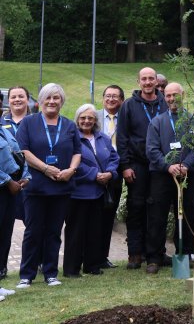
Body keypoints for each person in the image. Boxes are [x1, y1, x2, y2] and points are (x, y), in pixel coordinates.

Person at [15, 83, 82, 288]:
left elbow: (77, 152)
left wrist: (71, 170)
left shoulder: (70, 125)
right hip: (35, 187)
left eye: (56, 98)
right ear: (40, 101)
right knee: (33, 231)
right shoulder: (28, 123)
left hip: (62, 186)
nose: (52, 101)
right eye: (48, 98)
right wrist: (45, 168)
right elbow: (23, 151)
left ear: (62, 101)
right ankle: (26, 275)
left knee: (54, 231)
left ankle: (51, 273)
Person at [116, 67, 166, 270]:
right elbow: (122, 138)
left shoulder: (165, 104)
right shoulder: (128, 106)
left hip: (160, 165)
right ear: (139, 82)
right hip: (136, 165)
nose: (147, 82)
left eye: (151, 79)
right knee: (136, 208)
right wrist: (125, 166)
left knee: (157, 210)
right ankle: (135, 253)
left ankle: (156, 254)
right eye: (144, 79)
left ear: (156, 81)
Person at [144, 83, 194, 274]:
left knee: (186, 214)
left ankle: (186, 253)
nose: (172, 99)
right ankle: (154, 257)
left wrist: (186, 165)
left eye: (176, 95)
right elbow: (151, 149)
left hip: (186, 175)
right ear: (163, 97)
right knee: (157, 216)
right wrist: (168, 166)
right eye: (168, 96)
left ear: (183, 95)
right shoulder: (157, 122)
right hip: (162, 176)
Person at [63, 104, 119, 277]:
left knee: (95, 230)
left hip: (98, 192)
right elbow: (72, 163)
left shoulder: (103, 138)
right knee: (76, 232)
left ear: (95, 120)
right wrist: (94, 174)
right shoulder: (71, 138)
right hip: (78, 193)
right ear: (77, 119)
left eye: (90, 118)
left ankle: (92, 265)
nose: (86, 121)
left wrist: (110, 173)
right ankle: (71, 269)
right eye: (83, 118)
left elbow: (114, 158)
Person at [0, 86, 32, 280]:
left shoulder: (4, 131)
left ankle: (1, 273)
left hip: (10, 191)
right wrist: (7, 181)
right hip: (5, 187)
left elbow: (20, 155)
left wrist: (26, 176)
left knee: (5, 233)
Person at [97, 85, 124, 269]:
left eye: (115, 96)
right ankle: (87, 254)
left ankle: (102, 257)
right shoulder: (93, 116)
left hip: (116, 172)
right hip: (95, 173)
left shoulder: (126, 118)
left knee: (108, 216)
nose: (111, 99)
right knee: (92, 216)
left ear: (121, 100)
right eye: (108, 96)